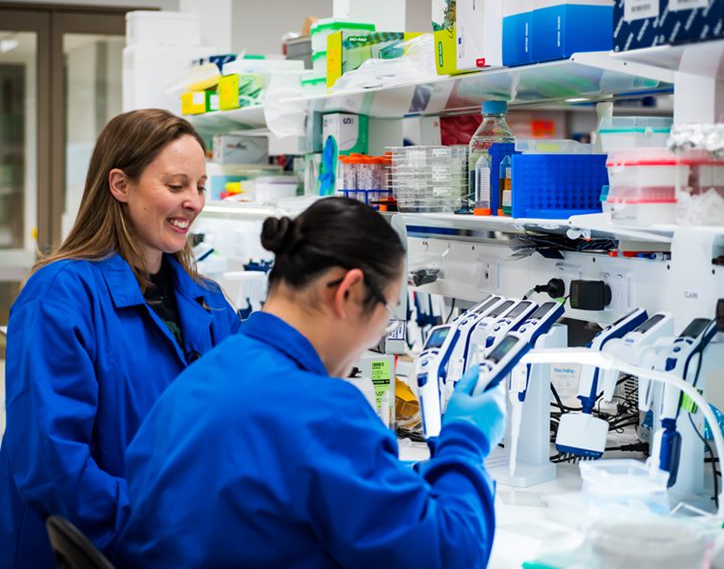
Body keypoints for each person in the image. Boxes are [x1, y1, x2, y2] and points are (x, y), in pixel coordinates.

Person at [113, 197, 507, 569]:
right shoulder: (320, 409)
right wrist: (464, 442)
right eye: (386, 309)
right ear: (347, 291)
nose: (380, 332)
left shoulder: (206, 374)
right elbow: (449, 554)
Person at [0, 109, 242, 568]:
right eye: (176, 186)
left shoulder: (208, 303)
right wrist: (164, 523)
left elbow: (240, 420)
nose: (193, 201)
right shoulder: (58, 297)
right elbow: (51, 467)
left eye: (200, 186)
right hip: (85, 552)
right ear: (120, 185)